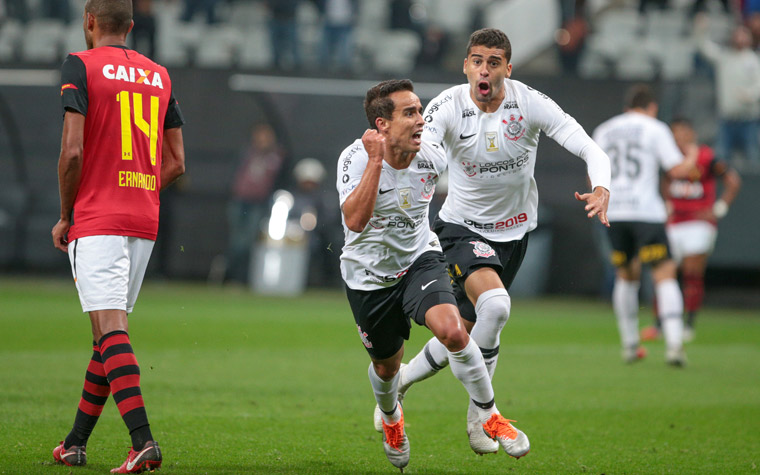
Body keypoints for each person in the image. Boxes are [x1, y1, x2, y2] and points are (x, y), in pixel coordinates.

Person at [379, 28, 611, 452]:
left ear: (507, 67)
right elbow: (423, 153)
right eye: (477, 60)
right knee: (497, 306)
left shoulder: (530, 103)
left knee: (465, 331)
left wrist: (601, 187)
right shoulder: (447, 107)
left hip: (515, 233)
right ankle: (482, 416)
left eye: (493, 62)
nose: (484, 70)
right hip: (461, 229)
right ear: (466, 64)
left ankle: (397, 387)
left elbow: (591, 149)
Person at [339, 79, 530, 470]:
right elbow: (355, 220)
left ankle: (489, 415)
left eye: (420, 110)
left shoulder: (432, 157)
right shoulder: (355, 158)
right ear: (382, 125)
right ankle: (392, 417)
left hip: (419, 261)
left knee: (454, 331)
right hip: (369, 277)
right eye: (409, 113)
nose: (421, 120)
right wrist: (377, 161)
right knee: (387, 367)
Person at [51, 0, 185, 472]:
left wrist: (67, 214)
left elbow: (72, 152)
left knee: (111, 331)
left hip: (97, 218)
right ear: (130, 26)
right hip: (143, 221)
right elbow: (176, 163)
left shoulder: (80, 65)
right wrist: (141, 187)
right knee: (106, 339)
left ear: (89, 21)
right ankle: (74, 443)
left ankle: (143, 441)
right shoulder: (160, 74)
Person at [592, 85, 695, 366]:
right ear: (652, 108)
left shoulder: (604, 130)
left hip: (615, 212)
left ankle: (629, 345)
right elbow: (676, 170)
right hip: (647, 212)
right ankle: (674, 345)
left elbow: (594, 170)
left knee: (625, 275)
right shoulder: (655, 128)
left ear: (627, 106)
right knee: (664, 273)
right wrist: (693, 156)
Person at [641, 118, 741, 342]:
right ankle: (660, 324)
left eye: (683, 133)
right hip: (673, 222)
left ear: (692, 134)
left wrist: (719, 208)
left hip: (698, 223)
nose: (679, 138)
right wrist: (666, 204)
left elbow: (733, 181)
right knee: (664, 274)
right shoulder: (669, 157)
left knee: (692, 274)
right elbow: (666, 182)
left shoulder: (706, 156)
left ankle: (688, 325)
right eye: (675, 134)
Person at [225, 123, 288, 284]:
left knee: (248, 241)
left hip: (258, 203)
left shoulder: (276, 156)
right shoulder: (246, 153)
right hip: (240, 200)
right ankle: (230, 276)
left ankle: (242, 278)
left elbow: (280, 178)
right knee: (235, 241)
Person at [697, 22, 760, 164]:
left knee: (753, 157)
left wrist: (750, 95)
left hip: (748, 119)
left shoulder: (753, 59)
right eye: (737, 34)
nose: (740, 38)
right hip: (726, 119)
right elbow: (704, 48)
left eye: (744, 35)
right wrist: (700, 30)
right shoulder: (724, 57)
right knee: (722, 159)